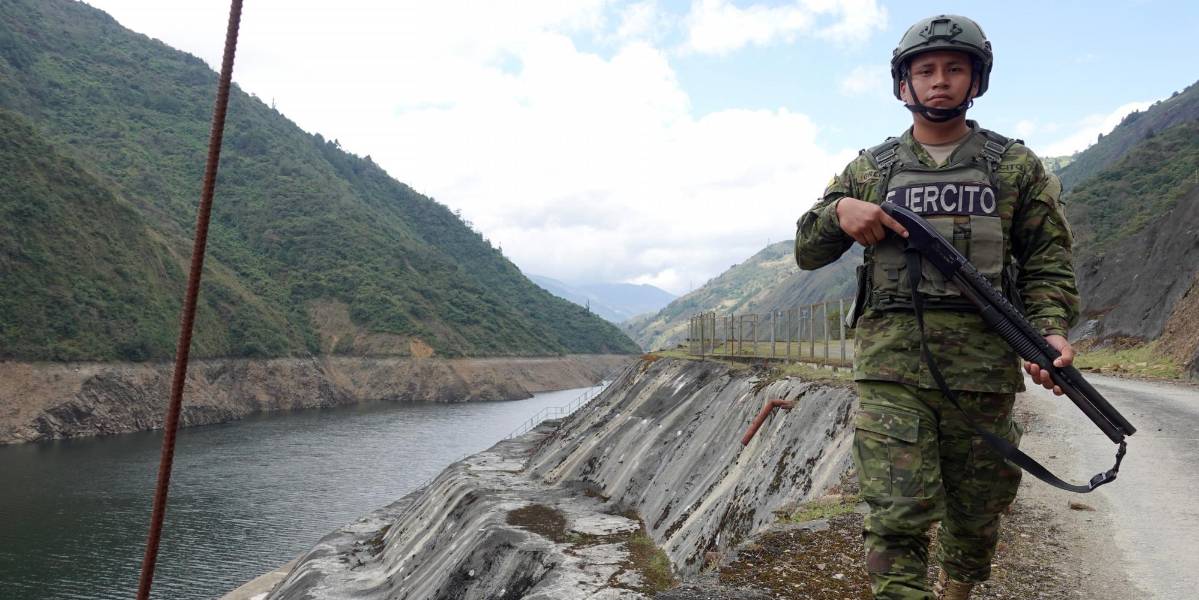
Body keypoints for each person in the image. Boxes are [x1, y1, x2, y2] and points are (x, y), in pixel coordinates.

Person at [794, 15, 1080, 600]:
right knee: (897, 512)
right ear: (904, 86)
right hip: (891, 369)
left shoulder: (1015, 168)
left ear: (977, 81)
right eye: (925, 71)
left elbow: (1048, 262)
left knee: (976, 517)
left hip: (983, 370)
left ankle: (956, 590)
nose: (940, 81)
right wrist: (840, 209)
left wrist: (1049, 333)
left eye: (955, 69)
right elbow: (807, 249)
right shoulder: (869, 170)